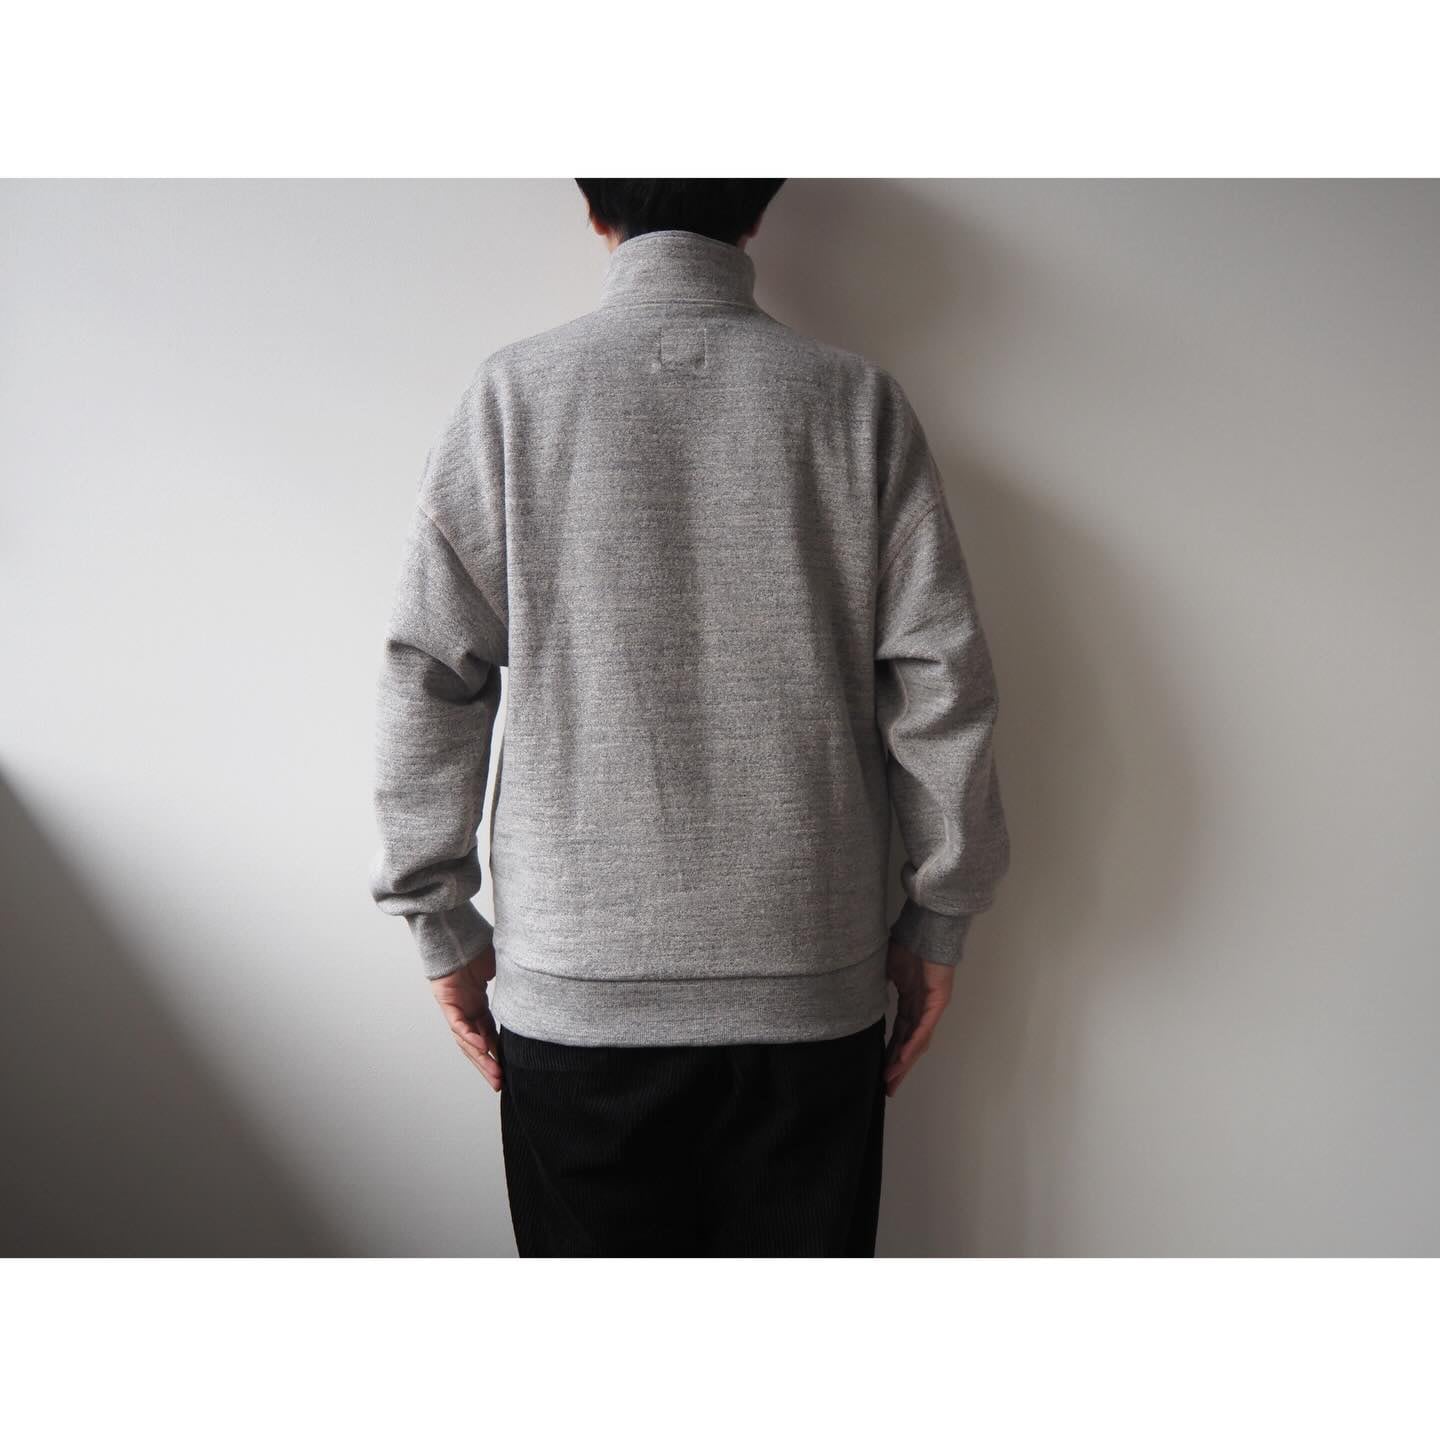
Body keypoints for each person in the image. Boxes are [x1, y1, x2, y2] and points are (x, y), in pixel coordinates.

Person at [368, 179, 1011, 1257]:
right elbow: (941, 682)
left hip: (578, 996)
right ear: (759, 208)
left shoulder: (512, 400)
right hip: (807, 989)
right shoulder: (855, 405)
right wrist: (938, 914)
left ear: (594, 208)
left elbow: (427, 672)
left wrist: (440, 922)